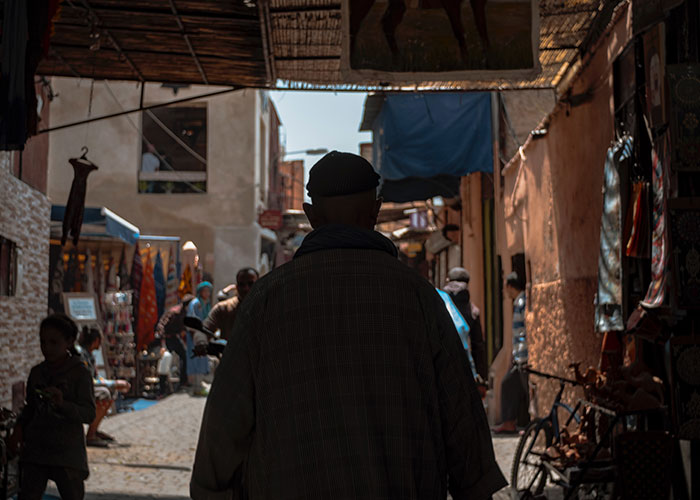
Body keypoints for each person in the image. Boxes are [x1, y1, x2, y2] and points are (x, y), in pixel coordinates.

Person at [191, 151, 506, 500]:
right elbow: (464, 428)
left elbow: (224, 426)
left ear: (310, 215)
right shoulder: (420, 299)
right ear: (375, 210)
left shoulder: (266, 300)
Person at [8, 313, 96, 500]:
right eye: (43, 342)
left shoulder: (79, 374)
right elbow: (30, 408)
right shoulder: (37, 373)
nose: (47, 348)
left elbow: (88, 413)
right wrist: (18, 429)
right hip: (36, 450)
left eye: (54, 342)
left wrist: (63, 404)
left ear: (69, 342)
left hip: (67, 452)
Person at [75, 327, 131, 447]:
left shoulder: (88, 355)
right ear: (95, 341)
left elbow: (95, 378)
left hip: (87, 387)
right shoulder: (81, 354)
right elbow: (88, 380)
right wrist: (114, 384)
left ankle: (94, 429)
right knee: (104, 394)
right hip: (78, 390)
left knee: (111, 392)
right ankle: (90, 435)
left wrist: (114, 384)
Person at [492, 272, 529, 434]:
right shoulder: (519, 302)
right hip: (519, 356)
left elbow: (524, 330)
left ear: (510, 286)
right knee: (508, 384)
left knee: (525, 389)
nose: (503, 291)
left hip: (524, 356)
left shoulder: (522, 302)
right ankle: (509, 422)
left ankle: (525, 423)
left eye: (505, 287)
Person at [443, 267, 488, 389]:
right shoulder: (472, 311)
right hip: (465, 370)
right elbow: (478, 346)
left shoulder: (440, 302)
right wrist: (481, 377)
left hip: (442, 367)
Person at [203, 268, 259, 341]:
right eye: (241, 284)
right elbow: (204, 329)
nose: (246, 288)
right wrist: (201, 341)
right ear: (237, 286)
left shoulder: (267, 307)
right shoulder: (223, 308)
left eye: (250, 284)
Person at [155, 294, 195, 387]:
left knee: (183, 356)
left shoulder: (186, 313)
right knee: (166, 359)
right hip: (168, 338)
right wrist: (161, 336)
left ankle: (183, 381)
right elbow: (163, 323)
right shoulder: (175, 313)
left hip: (174, 337)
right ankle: (162, 386)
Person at [187, 282, 213, 396]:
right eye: (205, 291)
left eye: (208, 291)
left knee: (201, 360)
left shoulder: (205, 304)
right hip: (195, 336)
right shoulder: (196, 303)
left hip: (202, 336)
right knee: (196, 360)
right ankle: (196, 387)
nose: (207, 293)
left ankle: (199, 386)